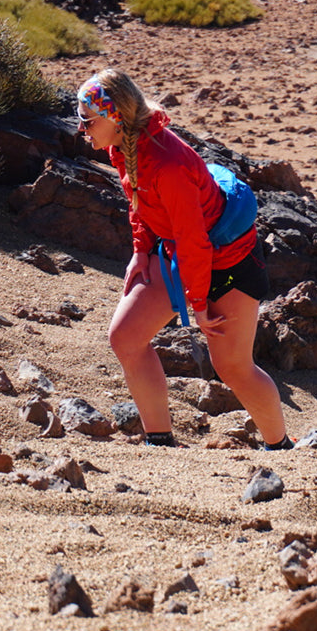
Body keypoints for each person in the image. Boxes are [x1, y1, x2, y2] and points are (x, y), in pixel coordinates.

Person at [77, 68, 292, 450]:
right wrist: (141, 251)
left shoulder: (169, 165)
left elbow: (195, 242)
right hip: (183, 251)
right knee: (126, 337)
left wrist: (197, 306)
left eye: (87, 121)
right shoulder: (122, 146)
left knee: (232, 367)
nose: (83, 131)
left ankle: (282, 447)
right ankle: (159, 443)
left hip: (229, 261)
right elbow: (139, 202)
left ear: (115, 118)